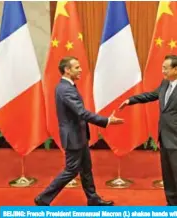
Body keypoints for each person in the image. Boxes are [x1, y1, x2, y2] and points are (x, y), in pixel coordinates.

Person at [34, 56, 124, 206]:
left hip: (79, 136)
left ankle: (93, 198)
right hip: (73, 137)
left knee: (86, 168)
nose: (81, 69)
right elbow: (81, 112)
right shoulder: (65, 89)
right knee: (71, 170)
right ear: (67, 70)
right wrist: (106, 121)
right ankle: (43, 198)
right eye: (77, 67)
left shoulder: (68, 86)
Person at [119, 55, 177, 206]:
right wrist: (131, 100)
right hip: (164, 136)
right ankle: (172, 205)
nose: (162, 70)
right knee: (167, 175)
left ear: (176, 69)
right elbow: (151, 95)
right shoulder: (165, 83)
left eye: (165, 68)